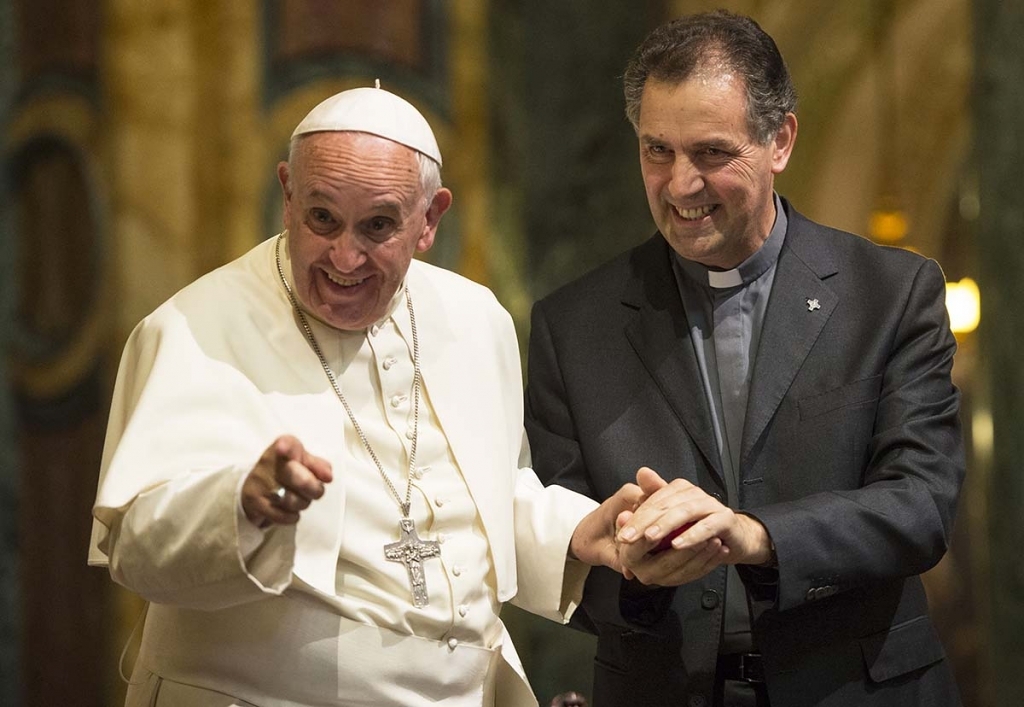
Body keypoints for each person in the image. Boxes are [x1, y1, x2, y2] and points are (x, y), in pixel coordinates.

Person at [88, 85, 641, 707]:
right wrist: (240, 506)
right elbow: (135, 542)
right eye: (321, 218)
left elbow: (485, 493)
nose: (344, 257)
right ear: (287, 195)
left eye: (378, 226)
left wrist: (573, 532)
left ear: (430, 219)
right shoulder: (193, 327)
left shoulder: (474, 317)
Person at [524, 10, 964, 707]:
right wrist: (625, 566)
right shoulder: (571, 326)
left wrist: (756, 536)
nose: (680, 185)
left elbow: (920, 505)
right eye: (657, 150)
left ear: (779, 139)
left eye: (711, 153)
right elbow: (554, 543)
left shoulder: (892, 294)